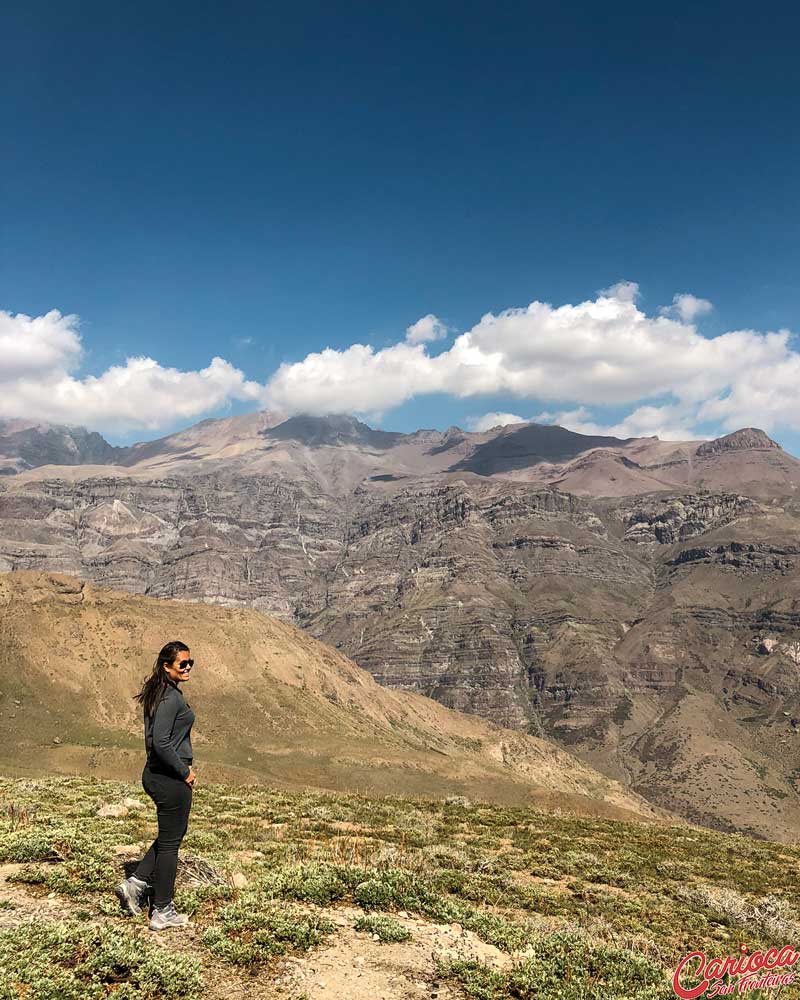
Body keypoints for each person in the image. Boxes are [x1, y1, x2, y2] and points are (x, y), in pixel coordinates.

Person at [114, 641, 197, 930]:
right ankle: (162, 910)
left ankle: (135, 885)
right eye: (182, 664)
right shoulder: (169, 698)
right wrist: (184, 771)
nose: (187, 668)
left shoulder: (160, 690)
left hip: (158, 775)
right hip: (168, 778)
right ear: (166, 666)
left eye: (190, 663)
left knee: (170, 836)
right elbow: (160, 743)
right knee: (171, 843)